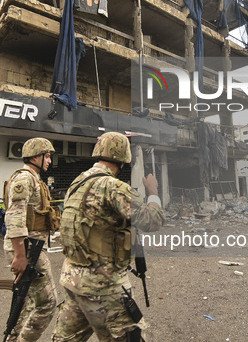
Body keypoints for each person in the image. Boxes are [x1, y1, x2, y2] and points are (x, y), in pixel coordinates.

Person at [52, 132, 165, 342]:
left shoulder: (76, 183)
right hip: (102, 286)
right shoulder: (113, 187)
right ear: (124, 158)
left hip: (72, 279)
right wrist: (153, 192)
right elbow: (152, 220)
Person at [3, 137, 59, 341]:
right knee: (48, 304)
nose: (49, 161)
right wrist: (20, 256)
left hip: (31, 247)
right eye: (48, 156)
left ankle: (13, 337)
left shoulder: (34, 178)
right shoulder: (24, 179)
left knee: (24, 299)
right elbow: (14, 215)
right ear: (36, 155)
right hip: (27, 249)